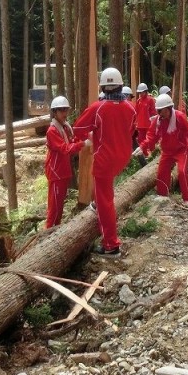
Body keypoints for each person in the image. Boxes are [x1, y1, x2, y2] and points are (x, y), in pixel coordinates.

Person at [72, 66, 137, 256]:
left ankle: (111, 244)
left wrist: (92, 134)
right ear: (120, 86)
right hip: (123, 156)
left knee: (106, 201)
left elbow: (78, 129)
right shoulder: (130, 108)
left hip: (105, 160)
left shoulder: (98, 107)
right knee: (104, 193)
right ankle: (98, 203)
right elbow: (130, 131)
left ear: (103, 88)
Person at [136, 92, 188, 202]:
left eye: (163, 110)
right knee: (161, 173)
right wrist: (142, 147)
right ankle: (163, 196)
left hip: (181, 150)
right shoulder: (158, 120)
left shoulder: (179, 117)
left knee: (182, 172)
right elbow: (151, 136)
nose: (161, 113)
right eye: (159, 111)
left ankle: (187, 198)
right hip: (167, 151)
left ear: (169, 108)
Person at [45, 95, 91, 228]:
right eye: (61, 110)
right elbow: (65, 148)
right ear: (55, 112)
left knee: (59, 205)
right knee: (54, 207)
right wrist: (83, 144)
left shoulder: (65, 127)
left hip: (63, 170)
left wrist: (82, 139)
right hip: (56, 171)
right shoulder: (52, 131)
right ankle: (48, 233)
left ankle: (55, 229)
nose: (64, 113)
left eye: (66, 110)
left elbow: (72, 141)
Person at [134, 83, 156, 149]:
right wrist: (136, 123)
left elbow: (153, 112)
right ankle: (143, 154)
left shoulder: (150, 100)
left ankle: (151, 155)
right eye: (139, 92)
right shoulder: (138, 101)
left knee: (150, 140)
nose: (140, 94)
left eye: (142, 92)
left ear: (146, 91)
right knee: (141, 141)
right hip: (140, 125)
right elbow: (136, 112)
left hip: (149, 125)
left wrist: (153, 122)